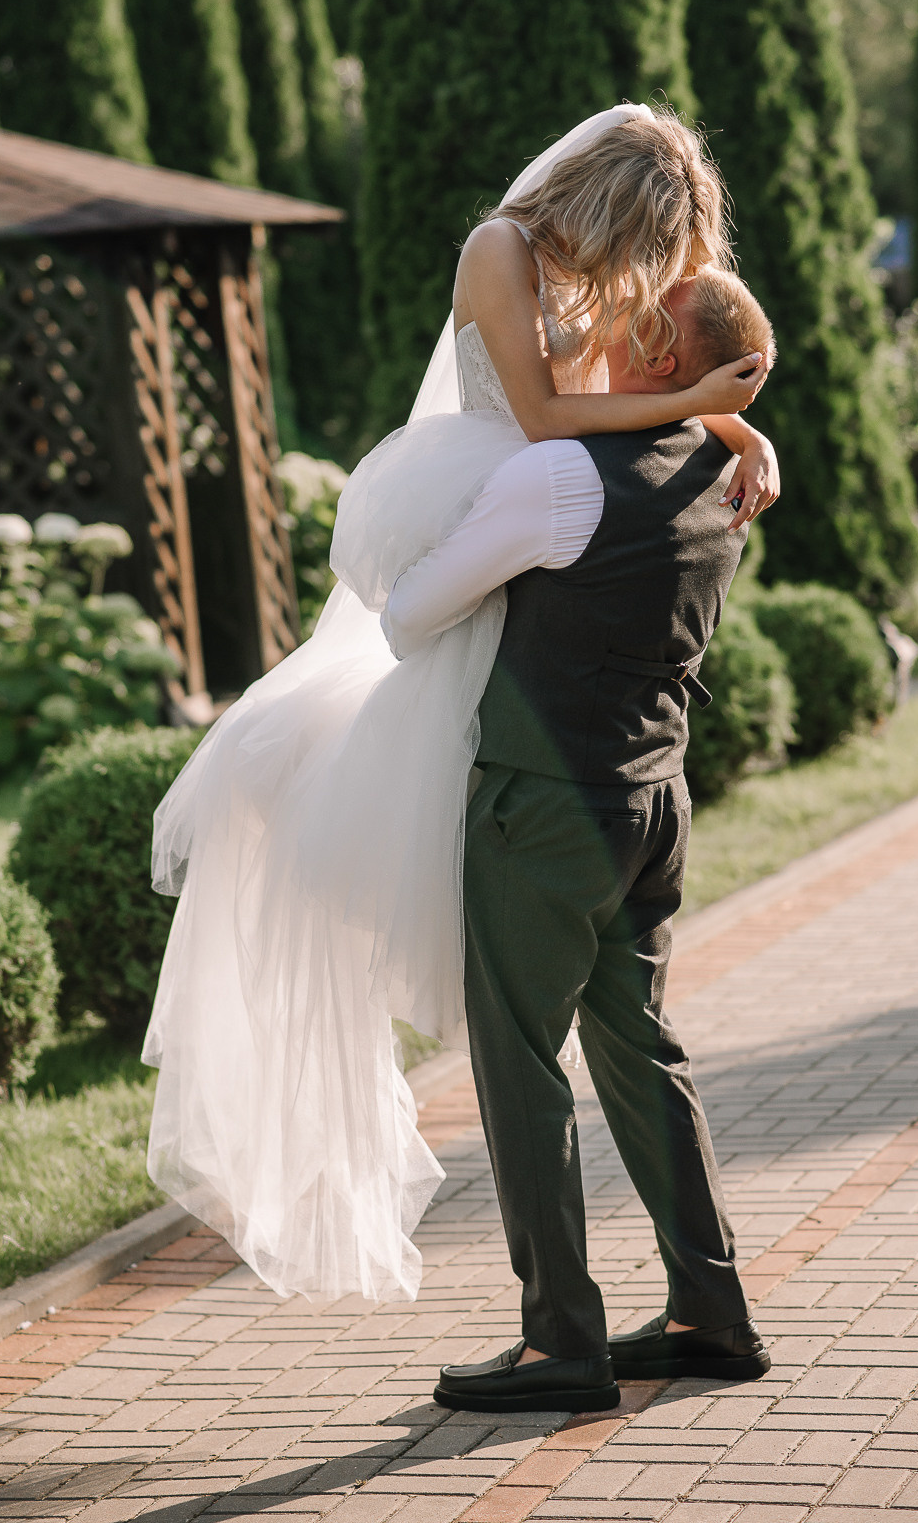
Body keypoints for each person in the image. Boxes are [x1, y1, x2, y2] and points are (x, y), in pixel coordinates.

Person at [144, 103, 780, 1314]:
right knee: (618, 1027)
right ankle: (703, 1307)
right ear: (602, 204)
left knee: (527, 1038)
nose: (642, 280)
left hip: (545, 546)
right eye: (644, 244)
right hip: (512, 493)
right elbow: (543, 415)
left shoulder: (595, 303)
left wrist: (728, 416)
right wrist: (705, 407)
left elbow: (624, 392)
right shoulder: (502, 250)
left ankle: (566, 1334)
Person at [380, 276, 773, 1413]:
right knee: (641, 1051)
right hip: (652, 803)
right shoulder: (725, 469)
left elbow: (409, 615)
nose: (606, 322)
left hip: (545, 807)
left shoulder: (558, 477)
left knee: (518, 1065)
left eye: (634, 316)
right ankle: (712, 1312)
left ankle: (559, 1343)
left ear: (656, 350)